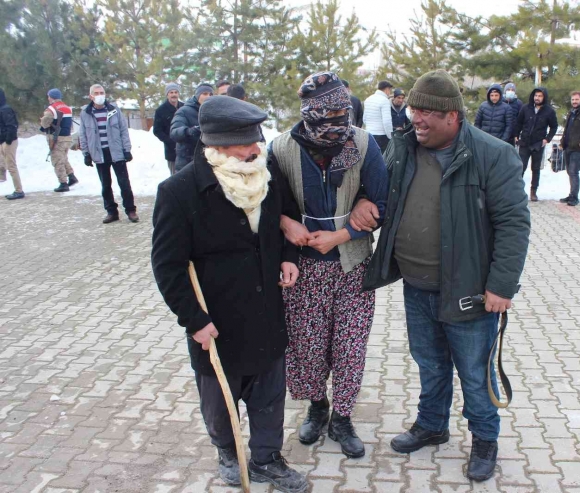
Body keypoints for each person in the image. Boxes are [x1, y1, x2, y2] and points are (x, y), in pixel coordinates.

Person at [358, 69, 531, 482]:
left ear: (452, 116)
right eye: (413, 111)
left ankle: (485, 439)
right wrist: (365, 201)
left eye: (424, 114)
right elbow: (381, 192)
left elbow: (513, 223)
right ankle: (433, 425)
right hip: (417, 284)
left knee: (474, 371)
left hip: (469, 289)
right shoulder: (403, 148)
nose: (415, 119)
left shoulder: (493, 154)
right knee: (430, 363)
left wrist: (501, 285)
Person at [151, 96, 309, 492]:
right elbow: (168, 266)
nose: (256, 148)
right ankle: (227, 451)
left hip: (267, 311)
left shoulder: (266, 175)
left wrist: (289, 257)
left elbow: (285, 221)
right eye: (245, 143)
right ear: (217, 144)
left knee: (270, 396)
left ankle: (267, 458)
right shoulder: (180, 191)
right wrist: (194, 321)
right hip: (217, 320)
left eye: (257, 139)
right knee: (221, 401)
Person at [273, 71, 389, 459]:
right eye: (330, 114)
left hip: (352, 265)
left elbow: (382, 201)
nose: (339, 123)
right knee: (308, 346)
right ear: (310, 113)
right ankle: (317, 406)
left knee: (349, 346)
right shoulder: (282, 149)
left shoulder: (363, 143)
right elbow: (271, 205)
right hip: (304, 270)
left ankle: (343, 416)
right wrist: (286, 227)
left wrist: (343, 235)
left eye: (345, 112)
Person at [79, 84, 138, 223]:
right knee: (105, 185)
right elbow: (83, 135)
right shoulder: (85, 113)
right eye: (96, 93)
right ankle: (111, 212)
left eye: (102, 92)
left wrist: (127, 149)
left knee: (124, 183)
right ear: (91, 96)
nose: (100, 95)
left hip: (116, 152)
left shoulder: (114, 110)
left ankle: (131, 210)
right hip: (99, 154)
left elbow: (123, 130)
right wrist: (86, 153)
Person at [513, 87, 558, 202]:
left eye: (540, 96)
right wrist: (516, 135)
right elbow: (519, 122)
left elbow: (554, 127)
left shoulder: (549, 111)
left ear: (544, 97)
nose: (537, 98)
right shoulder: (525, 108)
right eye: (536, 96)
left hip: (538, 144)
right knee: (521, 167)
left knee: (536, 168)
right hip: (525, 142)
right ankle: (517, 191)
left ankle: (533, 191)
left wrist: (547, 139)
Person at [39, 88, 78, 193]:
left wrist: (42, 124)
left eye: (48, 96)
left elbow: (45, 123)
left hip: (56, 139)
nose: (48, 98)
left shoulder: (51, 109)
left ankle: (63, 183)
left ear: (51, 97)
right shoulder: (67, 108)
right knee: (63, 158)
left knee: (57, 161)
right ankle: (71, 176)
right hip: (67, 138)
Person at [170, 83, 213, 172]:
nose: (208, 97)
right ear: (197, 95)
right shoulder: (184, 111)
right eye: (204, 94)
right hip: (187, 163)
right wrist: (190, 132)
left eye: (211, 94)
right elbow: (174, 132)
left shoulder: (214, 111)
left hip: (208, 162)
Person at [153, 82, 183, 176]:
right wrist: (169, 141)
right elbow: (157, 130)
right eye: (171, 92)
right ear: (167, 94)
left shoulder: (184, 107)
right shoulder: (161, 110)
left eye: (176, 92)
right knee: (175, 177)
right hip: (172, 151)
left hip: (186, 149)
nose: (174, 94)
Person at [0, 88, 23, 200]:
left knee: (11, 167)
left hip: (8, 142)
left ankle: (19, 191)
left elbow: (12, 126)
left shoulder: (5, 109)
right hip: (3, 142)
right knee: (6, 166)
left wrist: (8, 141)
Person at [364, 80, 394, 153]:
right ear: (387, 89)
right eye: (390, 90)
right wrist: (390, 136)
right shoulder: (385, 101)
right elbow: (387, 121)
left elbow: (364, 119)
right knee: (382, 159)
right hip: (381, 135)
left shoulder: (368, 99)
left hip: (369, 134)